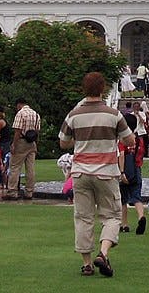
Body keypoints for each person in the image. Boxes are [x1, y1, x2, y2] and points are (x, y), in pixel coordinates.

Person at [59, 71, 135, 277]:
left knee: (83, 217)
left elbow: (63, 142)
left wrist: (82, 141)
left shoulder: (74, 114)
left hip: (81, 172)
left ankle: (86, 263)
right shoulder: (113, 114)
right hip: (106, 172)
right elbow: (129, 141)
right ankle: (103, 252)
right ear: (103, 89)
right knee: (112, 215)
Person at [6, 98, 41, 200]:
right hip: (32, 142)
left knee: (15, 167)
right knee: (30, 168)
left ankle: (12, 191)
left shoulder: (20, 114)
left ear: (18, 105)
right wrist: (36, 144)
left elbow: (18, 131)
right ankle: (29, 191)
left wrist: (14, 144)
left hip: (21, 141)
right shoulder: (36, 114)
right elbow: (37, 131)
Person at [118, 113, 147, 235]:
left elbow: (122, 155)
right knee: (136, 197)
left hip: (125, 170)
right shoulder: (139, 139)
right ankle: (141, 216)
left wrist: (122, 172)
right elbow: (141, 154)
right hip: (136, 170)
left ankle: (124, 224)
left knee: (123, 199)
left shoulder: (123, 139)